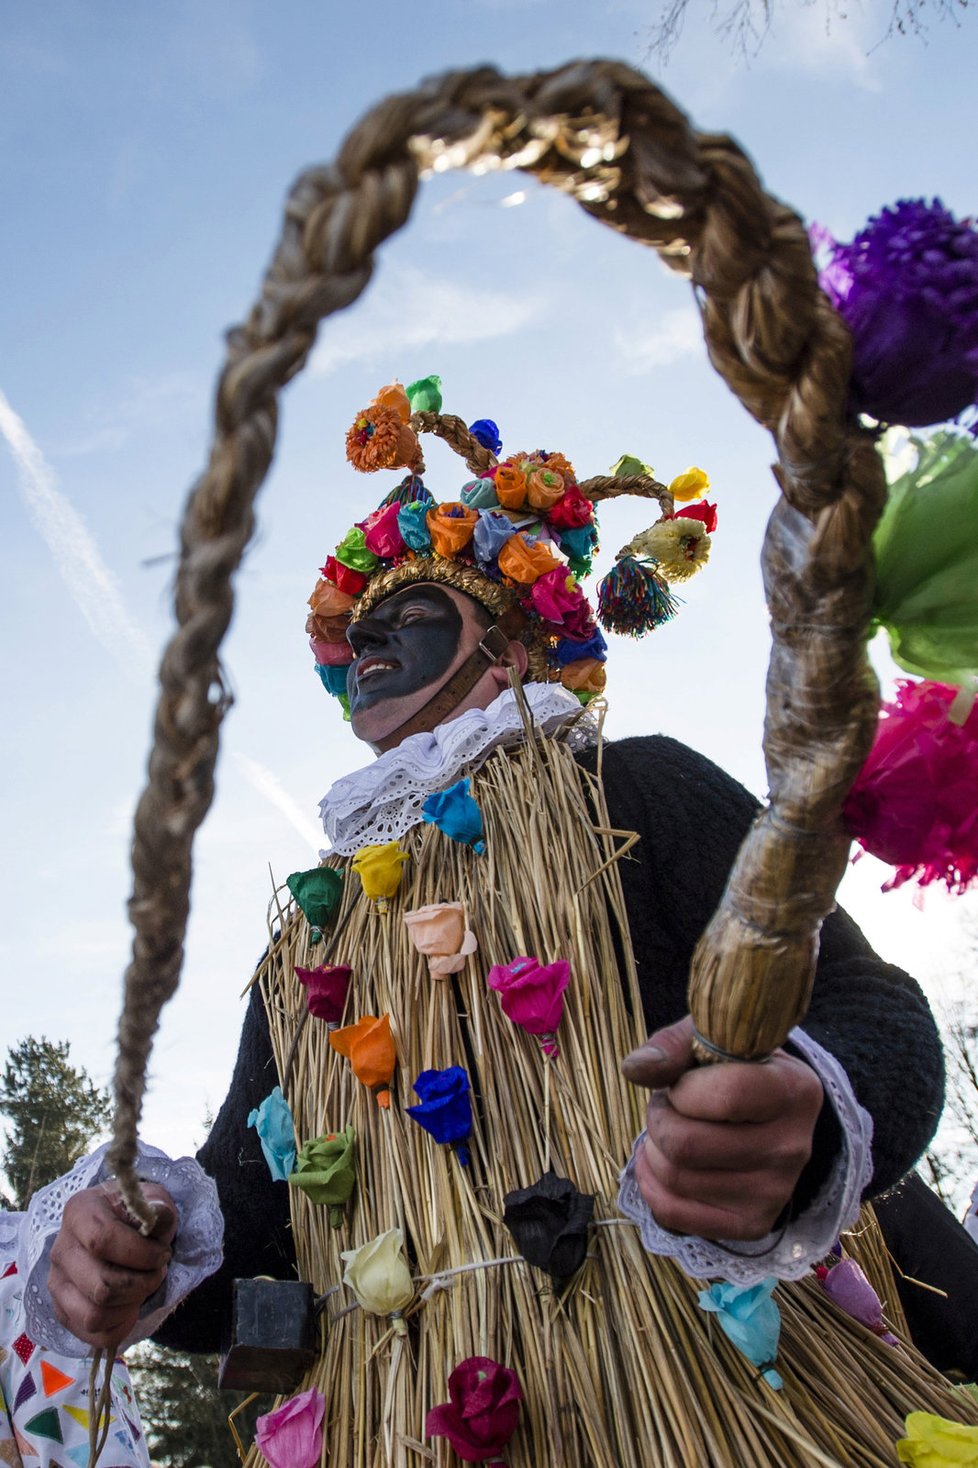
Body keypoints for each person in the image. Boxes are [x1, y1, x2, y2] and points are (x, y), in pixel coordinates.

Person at [34, 405, 961, 1461]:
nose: (369, 640)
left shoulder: (633, 787)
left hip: (708, 1409)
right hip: (407, 1427)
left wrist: (805, 1114)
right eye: (359, 630)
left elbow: (875, 1009)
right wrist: (135, 1248)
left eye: (413, 611)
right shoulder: (307, 940)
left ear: (514, 642)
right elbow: (258, 1233)